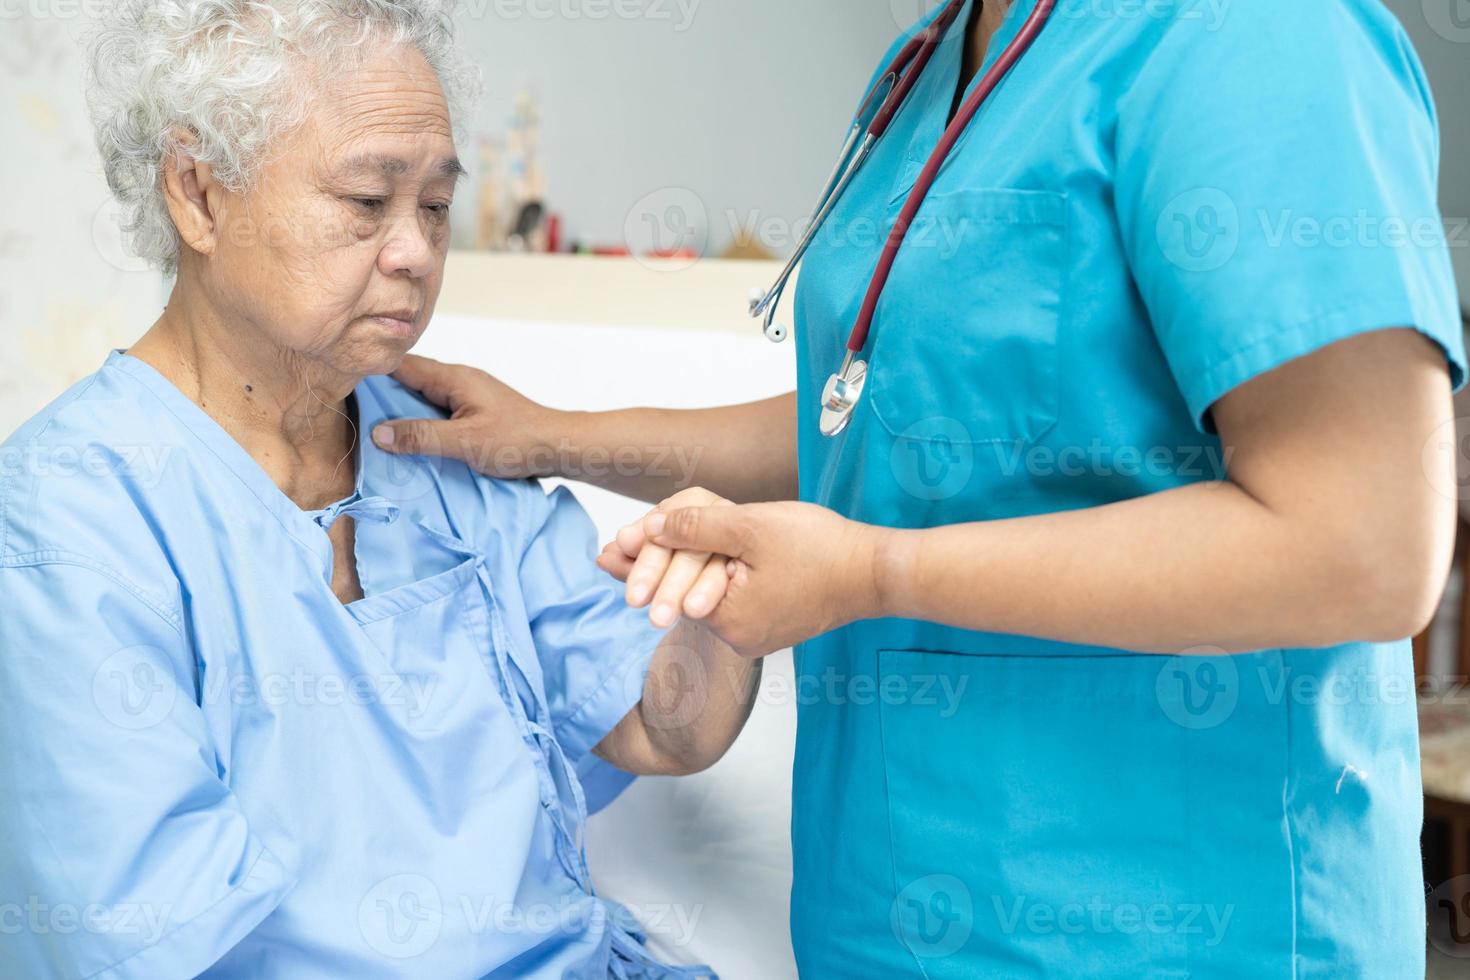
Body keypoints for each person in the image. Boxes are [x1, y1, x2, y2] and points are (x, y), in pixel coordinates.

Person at [372, 0, 1467, 974]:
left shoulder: (1256, 38)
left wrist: (874, 571)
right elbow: (896, 430)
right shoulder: (936, 61)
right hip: (891, 916)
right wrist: (556, 437)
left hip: (1171, 926)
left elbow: (1360, 541)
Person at [0, 2, 754, 977]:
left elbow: (660, 720)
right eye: (367, 202)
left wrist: (722, 610)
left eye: (434, 206)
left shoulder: (447, 451)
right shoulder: (71, 517)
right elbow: (142, 942)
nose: (414, 251)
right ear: (197, 194)